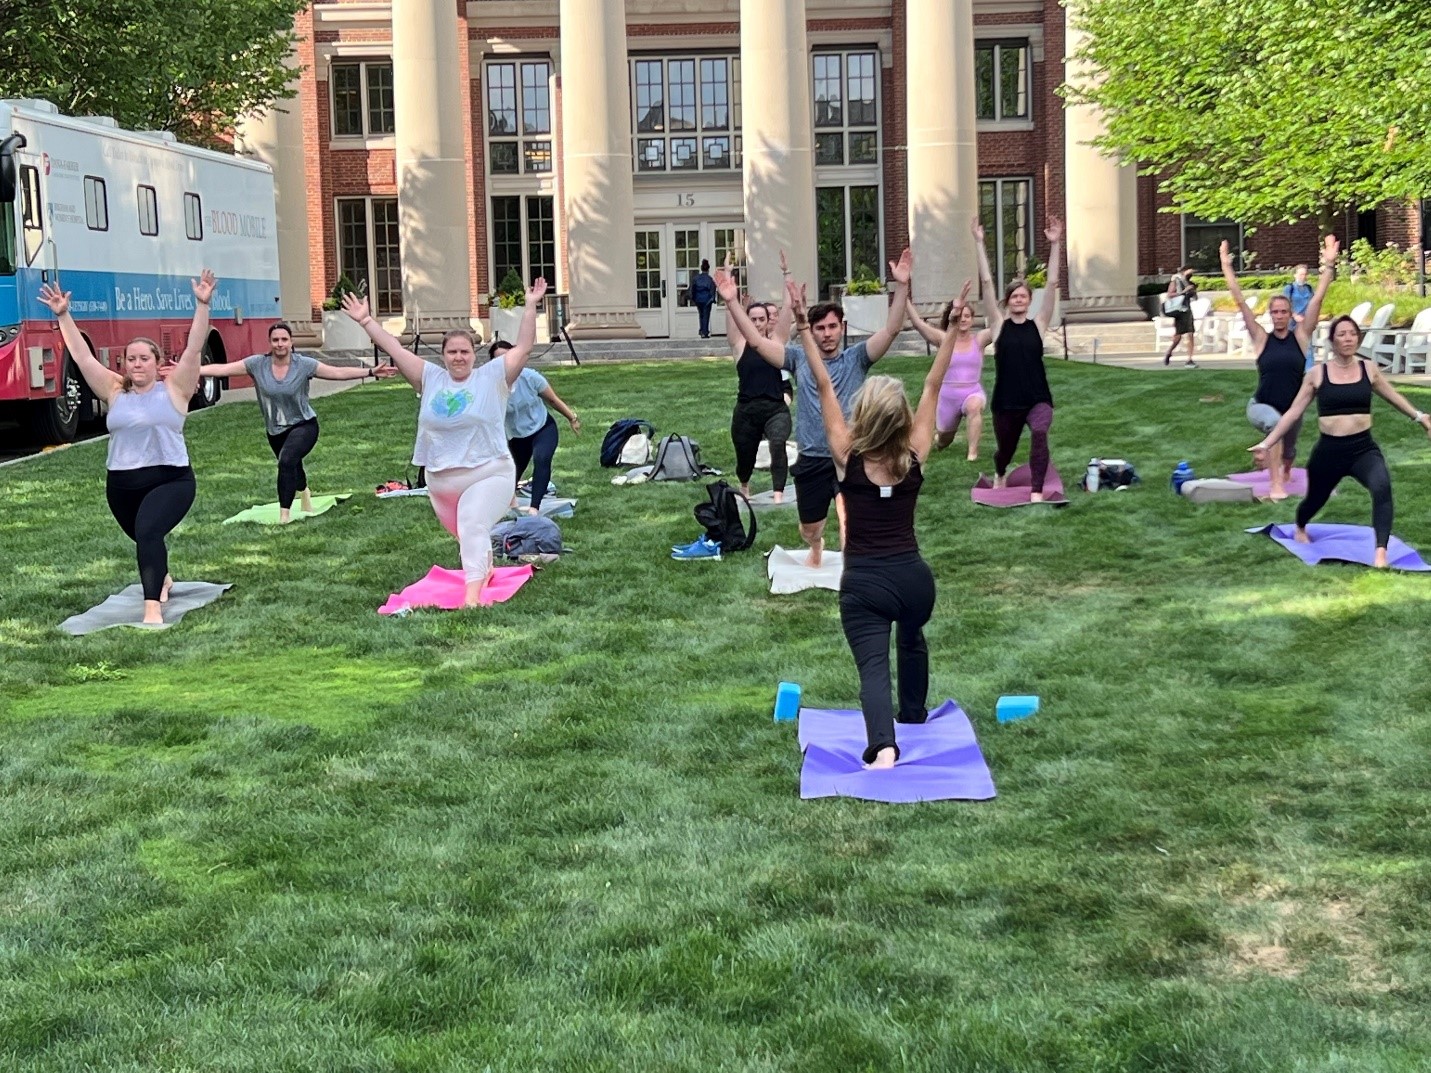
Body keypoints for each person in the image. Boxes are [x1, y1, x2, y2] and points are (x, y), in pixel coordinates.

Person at [787, 275, 960, 769]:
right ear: (902, 418)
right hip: (914, 581)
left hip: (865, 584)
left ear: (863, 412)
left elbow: (822, 382)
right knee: (911, 633)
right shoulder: (915, 454)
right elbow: (934, 382)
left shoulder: (847, 456)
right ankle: (914, 714)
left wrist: (802, 327)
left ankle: (884, 746)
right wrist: (949, 331)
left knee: (871, 666)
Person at [341, 277, 548, 606]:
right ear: (443, 355)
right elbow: (395, 348)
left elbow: (523, 348)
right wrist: (366, 320)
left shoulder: (492, 377)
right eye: (452, 352)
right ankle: (487, 569)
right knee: (466, 535)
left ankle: (473, 598)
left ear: (473, 354)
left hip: (488, 470)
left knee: (472, 523)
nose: (458, 357)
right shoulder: (430, 377)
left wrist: (531, 305)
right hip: (441, 478)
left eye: (464, 351)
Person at [38, 272, 217, 625]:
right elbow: (83, 357)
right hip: (120, 486)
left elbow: (195, 347)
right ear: (124, 364)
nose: (137, 364)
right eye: (130, 359)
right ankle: (161, 577)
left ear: (156, 361)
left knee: (149, 531)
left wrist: (202, 305)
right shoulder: (114, 390)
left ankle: (152, 608)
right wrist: (63, 316)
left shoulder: (175, 389)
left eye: (144, 358)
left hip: (171, 479)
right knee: (145, 538)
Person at [719, 248, 913, 566]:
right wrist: (730, 302)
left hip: (852, 456)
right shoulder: (797, 358)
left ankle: (856, 564)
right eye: (820, 328)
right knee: (809, 528)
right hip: (811, 457)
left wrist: (902, 286)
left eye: (832, 327)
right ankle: (816, 543)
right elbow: (755, 341)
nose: (827, 334)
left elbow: (891, 330)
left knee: (849, 517)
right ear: (813, 330)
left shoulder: (858, 358)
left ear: (842, 327)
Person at [1250, 314, 1431, 569]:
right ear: (1332, 341)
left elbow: (1393, 397)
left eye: (1352, 334)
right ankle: (1300, 525)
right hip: (1329, 451)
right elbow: (1293, 412)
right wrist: (1267, 443)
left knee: (1382, 488)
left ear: (1358, 338)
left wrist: (1420, 416)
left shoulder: (1368, 369)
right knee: (1314, 500)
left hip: (1363, 448)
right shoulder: (1317, 374)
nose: (1348, 339)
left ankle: (1380, 553)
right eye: (1342, 334)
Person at [195, 321, 399, 523]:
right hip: (275, 430)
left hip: (304, 425)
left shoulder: (304, 365)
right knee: (292, 466)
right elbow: (223, 369)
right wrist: (192, 369)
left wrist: (370, 372)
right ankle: (305, 491)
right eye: (275, 340)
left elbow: (336, 372)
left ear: (291, 342)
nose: (280, 344)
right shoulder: (257, 364)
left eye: (284, 339)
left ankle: (285, 515)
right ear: (270, 343)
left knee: (286, 461)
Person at [1223, 236, 1336, 500]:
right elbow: (1240, 302)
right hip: (1261, 405)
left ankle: (1283, 468)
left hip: (1293, 411)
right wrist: (1226, 266)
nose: (1279, 316)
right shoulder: (1262, 339)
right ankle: (1275, 485)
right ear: (1270, 315)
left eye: (1284, 311)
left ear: (1289, 314)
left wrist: (1328, 266)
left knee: (1289, 451)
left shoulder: (1301, 337)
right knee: (1275, 426)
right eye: (1275, 312)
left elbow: (1317, 300)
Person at [905, 215, 1001, 460]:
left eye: (970, 315)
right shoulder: (943, 338)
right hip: (947, 395)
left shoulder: (980, 339)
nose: (966, 319)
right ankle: (941, 437)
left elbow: (1002, 323)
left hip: (971, 391)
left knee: (974, 408)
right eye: (962, 315)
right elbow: (917, 323)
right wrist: (901, 294)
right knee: (943, 440)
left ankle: (972, 453)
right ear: (954, 317)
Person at [990, 218, 1063, 501]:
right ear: (1008, 301)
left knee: (1040, 432)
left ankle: (1036, 491)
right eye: (1014, 296)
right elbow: (986, 283)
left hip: (1037, 397)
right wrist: (979, 243)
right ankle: (999, 472)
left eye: (1023, 296)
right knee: (1004, 451)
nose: (1019, 299)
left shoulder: (1039, 322)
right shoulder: (998, 326)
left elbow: (1053, 282)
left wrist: (1055, 243)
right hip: (1006, 402)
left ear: (1030, 300)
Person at [725, 253, 794, 501]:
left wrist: (786, 273)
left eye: (760, 319)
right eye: (751, 319)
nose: (755, 323)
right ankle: (744, 484)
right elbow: (732, 314)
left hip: (775, 408)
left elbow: (787, 308)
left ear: (767, 322)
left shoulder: (776, 342)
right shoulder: (739, 345)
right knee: (745, 456)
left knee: (777, 444)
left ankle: (778, 493)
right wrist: (728, 277)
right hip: (746, 410)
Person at [494, 339, 581, 514]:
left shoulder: (530, 377)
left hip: (543, 428)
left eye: (509, 358)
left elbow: (552, 400)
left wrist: (572, 418)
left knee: (542, 459)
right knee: (511, 472)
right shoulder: (491, 385)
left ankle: (535, 507)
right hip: (517, 437)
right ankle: (504, 503)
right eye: (498, 360)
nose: (505, 363)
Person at [1161, 265, 1199, 367]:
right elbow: (1170, 294)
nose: (1191, 274)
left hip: (1187, 310)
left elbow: (1195, 298)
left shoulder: (1189, 283)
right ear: (1184, 271)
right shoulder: (1176, 281)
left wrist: (1193, 291)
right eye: (1189, 272)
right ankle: (1169, 352)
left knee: (1190, 334)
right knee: (1178, 337)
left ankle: (1189, 359)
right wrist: (1183, 291)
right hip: (1179, 310)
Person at [1283, 263, 1317, 371]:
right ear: (1295, 275)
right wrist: (1294, 315)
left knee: (1308, 348)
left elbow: (1313, 304)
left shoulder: (1309, 289)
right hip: (1293, 322)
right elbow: (1285, 305)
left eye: (1305, 274)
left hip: (1305, 322)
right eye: (1301, 274)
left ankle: (1309, 371)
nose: (1303, 277)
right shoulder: (1290, 288)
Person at [689, 259, 717, 339]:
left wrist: (693, 298)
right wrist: (712, 299)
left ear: (701, 268)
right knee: (706, 315)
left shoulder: (696, 278)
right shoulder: (710, 279)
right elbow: (712, 291)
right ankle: (705, 332)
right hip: (707, 299)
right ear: (708, 269)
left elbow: (692, 289)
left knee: (701, 315)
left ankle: (702, 330)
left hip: (698, 299)